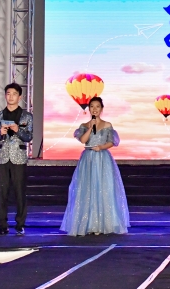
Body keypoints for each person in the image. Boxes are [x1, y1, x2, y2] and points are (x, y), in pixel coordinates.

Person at [60, 97, 130, 236]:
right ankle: (89, 224)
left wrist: (101, 147)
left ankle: (104, 224)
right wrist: (90, 128)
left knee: (103, 188)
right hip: (88, 159)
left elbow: (112, 142)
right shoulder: (84, 125)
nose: (95, 109)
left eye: (97, 106)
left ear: (101, 108)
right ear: (89, 109)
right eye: (92, 106)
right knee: (87, 189)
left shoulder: (107, 124)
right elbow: (83, 140)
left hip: (103, 158)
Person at [0, 83, 34, 236]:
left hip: (18, 158)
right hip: (2, 158)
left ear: (20, 97)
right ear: (5, 96)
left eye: (14, 94)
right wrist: (0, 133)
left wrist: (18, 130)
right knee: (2, 192)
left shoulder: (27, 116)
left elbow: (29, 137)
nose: (11, 96)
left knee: (20, 192)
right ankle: (2, 225)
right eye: (8, 93)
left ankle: (20, 224)